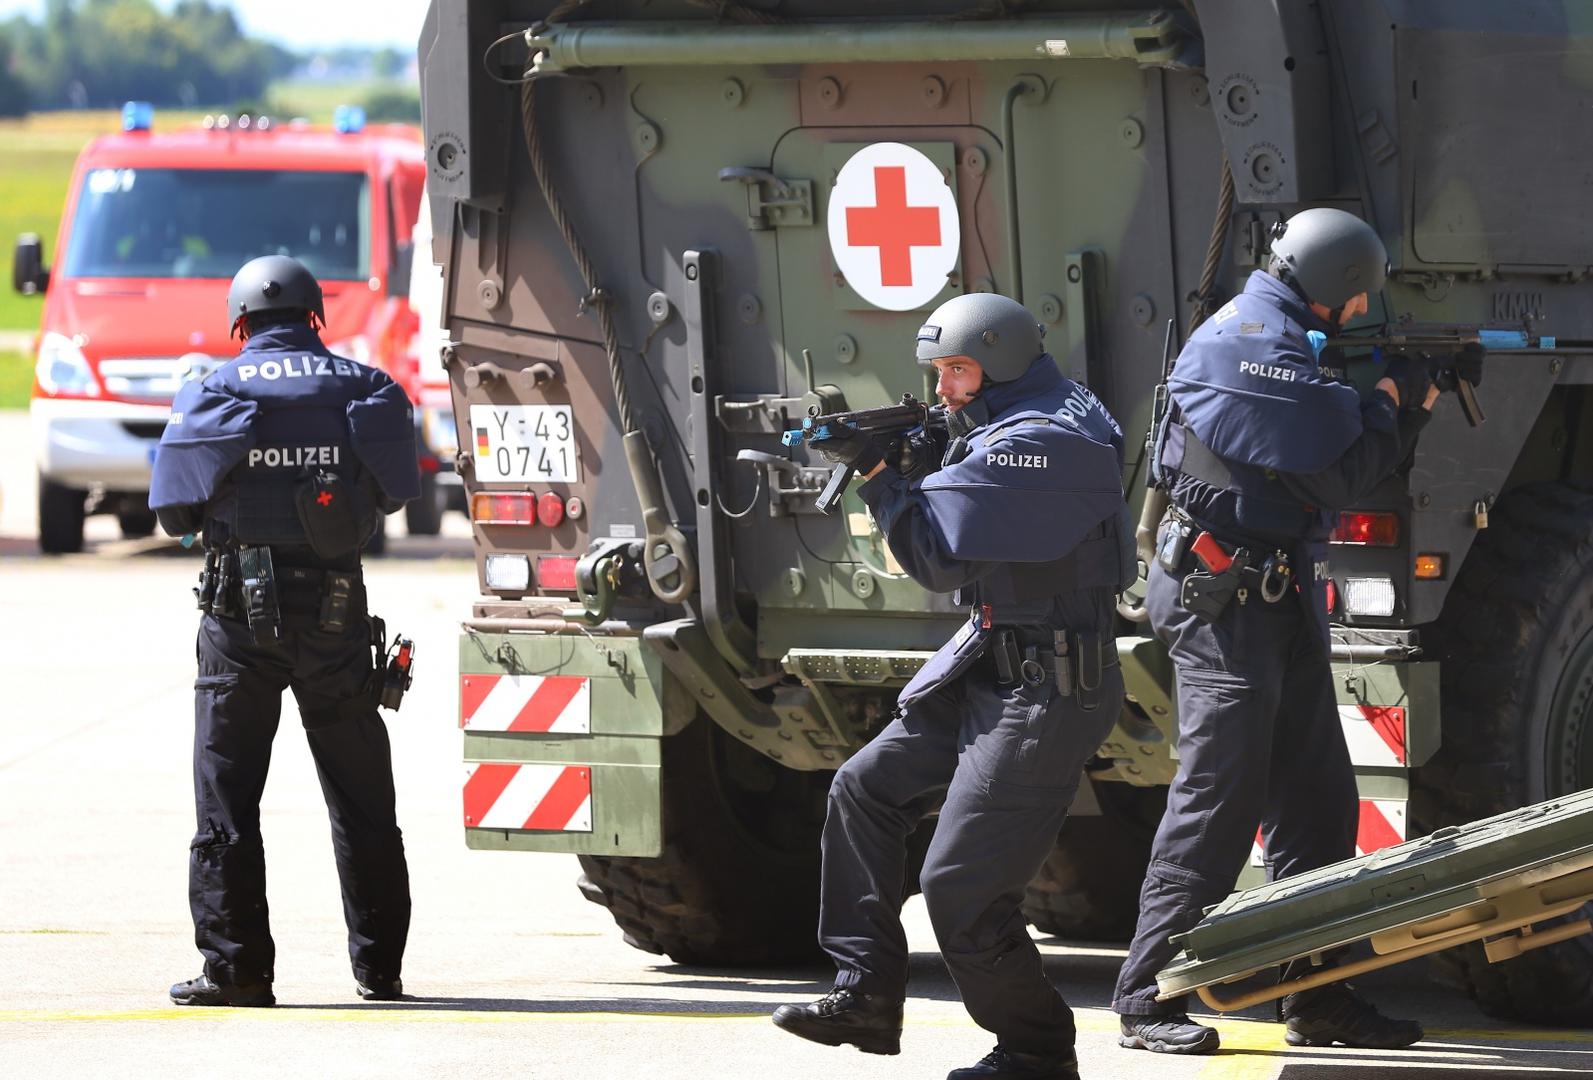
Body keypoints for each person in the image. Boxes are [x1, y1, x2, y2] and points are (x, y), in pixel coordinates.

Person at [1113, 207, 1481, 1053]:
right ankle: (1144, 996)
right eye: (1357, 300)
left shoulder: (1272, 335)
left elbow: (1312, 436)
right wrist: (1400, 397)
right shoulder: (1252, 346)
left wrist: (1385, 390)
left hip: (1261, 594)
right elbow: (1339, 472)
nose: (1360, 314)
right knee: (1218, 794)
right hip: (1221, 599)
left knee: (1318, 801)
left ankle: (1317, 996)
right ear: (1332, 287)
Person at [772, 293, 1134, 1080]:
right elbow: (964, 460)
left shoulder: (1044, 436)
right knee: (863, 789)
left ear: (1000, 362)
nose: (943, 390)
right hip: (992, 663)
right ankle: (864, 991)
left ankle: (1036, 1049)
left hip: (1047, 686)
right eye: (936, 373)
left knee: (960, 891)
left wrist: (876, 474)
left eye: (957, 372)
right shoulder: (1022, 409)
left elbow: (939, 562)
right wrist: (907, 448)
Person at [149, 255, 420, 1007]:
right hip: (337, 622)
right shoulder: (369, 387)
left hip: (239, 627)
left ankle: (237, 972)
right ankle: (380, 970)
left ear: (239, 321)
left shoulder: (211, 390)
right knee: (363, 798)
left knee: (227, 800)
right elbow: (399, 493)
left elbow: (172, 514)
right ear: (315, 317)